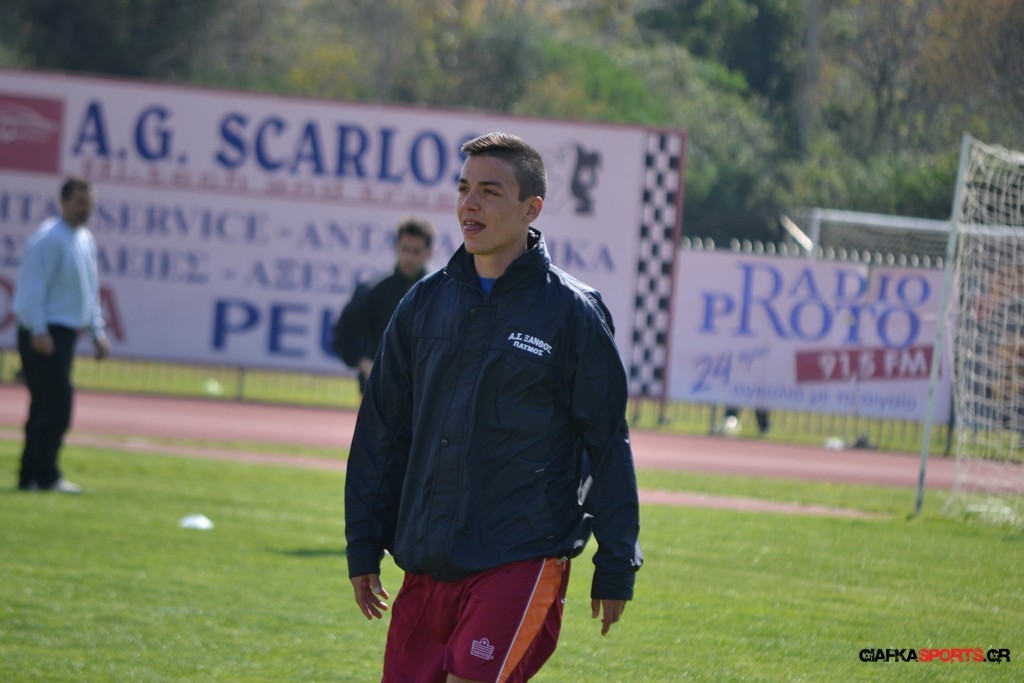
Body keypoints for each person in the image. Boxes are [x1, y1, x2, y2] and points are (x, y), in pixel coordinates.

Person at [344, 132, 643, 683]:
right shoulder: (424, 303)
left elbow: (606, 442)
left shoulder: (573, 312)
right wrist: (363, 543)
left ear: (532, 209)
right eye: (463, 189)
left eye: (489, 191)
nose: (470, 204)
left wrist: (616, 562)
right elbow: (380, 432)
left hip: (520, 555)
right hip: (429, 560)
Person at [13, 177, 110, 493]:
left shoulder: (84, 239)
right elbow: (32, 288)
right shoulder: (49, 238)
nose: (85, 209)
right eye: (80, 202)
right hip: (44, 331)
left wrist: (96, 330)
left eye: (90, 203)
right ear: (63, 201)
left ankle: (33, 476)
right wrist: (38, 329)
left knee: (46, 406)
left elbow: (88, 291)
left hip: (65, 331)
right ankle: (43, 475)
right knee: (56, 404)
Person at [331, 216, 436, 392]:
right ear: (396, 248)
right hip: (379, 389)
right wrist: (366, 365)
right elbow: (343, 335)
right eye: (405, 249)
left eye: (416, 251)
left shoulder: (440, 291)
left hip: (426, 391)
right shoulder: (372, 290)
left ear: (429, 252)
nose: (409, 257)